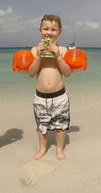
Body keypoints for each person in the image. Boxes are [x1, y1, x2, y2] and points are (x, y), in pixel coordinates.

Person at [28, 14, 72, 161]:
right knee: (42, 125)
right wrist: (39, 56)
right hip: (41, 96)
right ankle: (42, 149)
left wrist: (58, 56)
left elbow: (67, 73)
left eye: (53, 29)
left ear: (60, 32)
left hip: (59, 95)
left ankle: (59, 149)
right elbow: (31, 73)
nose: (49, 32)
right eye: (46, 29)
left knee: (60, 125)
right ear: (40, 30)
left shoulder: (64, 50)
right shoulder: (35, 50)